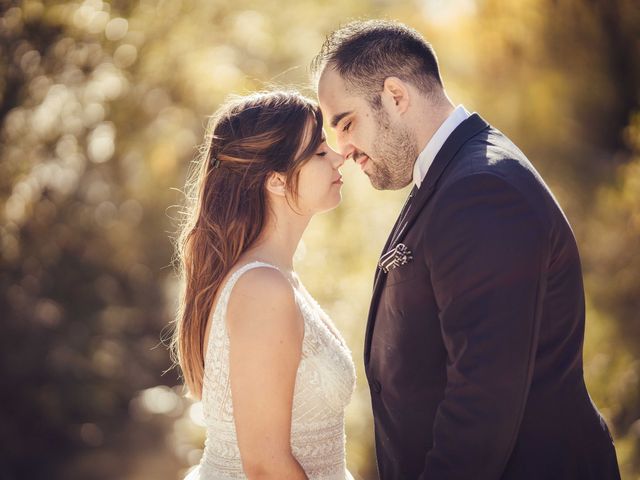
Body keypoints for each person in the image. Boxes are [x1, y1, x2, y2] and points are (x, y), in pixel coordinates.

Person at [312, 19, 621, 480]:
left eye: (347, 123)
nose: (342, 149)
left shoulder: (480, 190)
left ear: (396, 96)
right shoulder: (451, 177)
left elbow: (482, 403)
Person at [170, 90, 356, 480]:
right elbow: (267, 467)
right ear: (275, 179)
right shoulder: (262, 289)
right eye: (320, 152)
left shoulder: (275, 278)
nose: (339, 156)